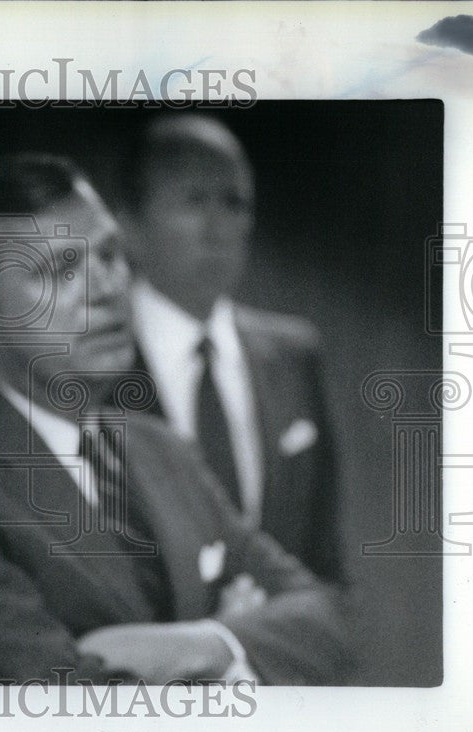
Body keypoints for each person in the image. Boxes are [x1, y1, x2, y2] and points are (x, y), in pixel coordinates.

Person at [0, 153, 350, 685]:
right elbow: (58, 706)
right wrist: (243, 641)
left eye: (110, 255)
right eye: (60, 270)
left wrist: (204, 645)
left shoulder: (163, 448)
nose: (108, 288)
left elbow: (329, 619)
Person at [124, 114, 342, 581]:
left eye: (234, 203)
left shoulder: (294, 355)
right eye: (193, 201)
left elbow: (323, 559)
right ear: (130, 225)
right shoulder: (93, 356)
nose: (217, 228)